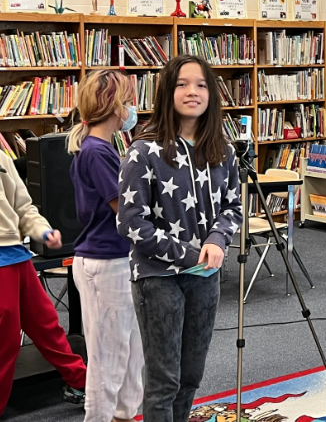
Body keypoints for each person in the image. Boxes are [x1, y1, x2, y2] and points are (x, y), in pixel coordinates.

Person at [117, 55, 242, 422]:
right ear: (167, 92)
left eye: (201, 85)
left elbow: (234, 205)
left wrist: (218, 239)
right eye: (183, 84)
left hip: (205, 278)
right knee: (163, 380)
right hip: (158, 279)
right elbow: (131, 221)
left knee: (191, 376)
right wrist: (187, 255)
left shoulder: (224, 150)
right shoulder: (144, 151)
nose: (193, 92)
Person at [68, 70, 144, 422]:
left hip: (119, 258)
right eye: (127, 101)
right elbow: (124, 208)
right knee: (107, 360)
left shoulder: (106, 148)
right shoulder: (97, 152)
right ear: (114, 107)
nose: (131, 109)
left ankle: (125, 416)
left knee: (131, 353)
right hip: (104, 262)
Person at [0, 152, 86, 416]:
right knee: (6, 340)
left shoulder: (2, 158)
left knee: (47, 325)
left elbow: (24, 207)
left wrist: (42, 230)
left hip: (16, 255)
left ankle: (81, 383)